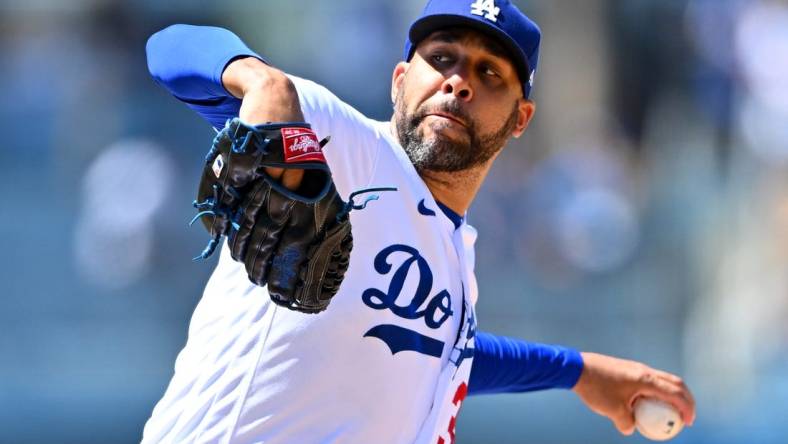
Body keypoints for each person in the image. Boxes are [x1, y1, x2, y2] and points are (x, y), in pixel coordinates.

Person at [142, 0, 696, 442]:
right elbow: (169, 49)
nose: (458, 82)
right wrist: (263, 83)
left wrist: (577, 371)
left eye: (489, 73)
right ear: (400, 79)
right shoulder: (345, 143)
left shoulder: (455, 250)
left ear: (520, 118)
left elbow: (433, 356)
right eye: (443, 58)